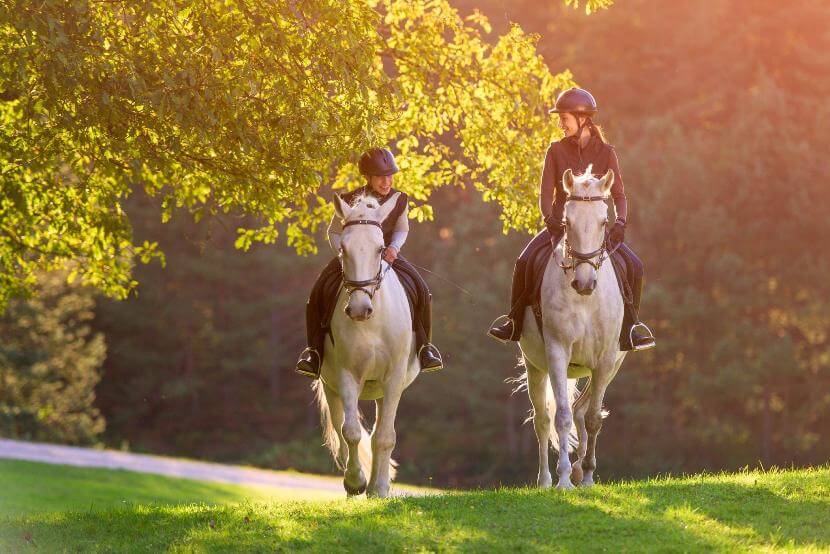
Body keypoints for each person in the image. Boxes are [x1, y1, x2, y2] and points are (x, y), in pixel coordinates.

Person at [487, 87, 656, 351]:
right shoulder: (555, 150)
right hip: (560, 227)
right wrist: (550, 221)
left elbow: (620, 196)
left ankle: (631, 327)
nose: (560, 124)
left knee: (634, 266)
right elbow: (545, 193)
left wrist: (620, 223)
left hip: (597, 232)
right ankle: (514, 322)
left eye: (563, 119)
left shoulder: (607, 153)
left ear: (582, 119)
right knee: (524, 261)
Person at [295, 147, 444, 378]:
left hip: (387, 255)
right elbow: (333, 232)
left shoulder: (400, 199)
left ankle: (425, 348)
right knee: (317, 293)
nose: (387, 181)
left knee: (422, 289)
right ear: (368, 177)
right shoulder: (347, 200)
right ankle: (313, 352)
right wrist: (344, 254)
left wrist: (394, 248)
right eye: (381, 176)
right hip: (354, 258)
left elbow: (403, 229)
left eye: (390, 175)